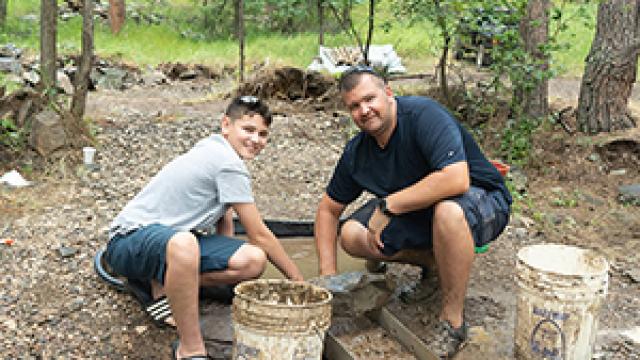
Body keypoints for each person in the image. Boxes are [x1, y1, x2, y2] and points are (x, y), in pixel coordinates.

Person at [314, 66, 511, 358]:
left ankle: (453, 321)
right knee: (352, 235)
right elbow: (327, 211)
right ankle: (433, 263)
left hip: (481, 199)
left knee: (447, 212)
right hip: (420, 208)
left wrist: (388, 205)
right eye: (354, 106)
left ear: (389, 93)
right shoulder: (358, 152)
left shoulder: (423, 116)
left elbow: (457, 178)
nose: (364, 110)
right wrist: (328, 279)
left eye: (370, 99)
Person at [105, 96, 304, 359]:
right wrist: (300, 283)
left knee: (253, 261)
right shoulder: (227, 163)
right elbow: (260, 235)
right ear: (226, 125)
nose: (256, 139)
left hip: (169, 242)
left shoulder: (216, 149)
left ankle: (165, 283)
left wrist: (228, 253)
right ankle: (190, 349)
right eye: (248, 130)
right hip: (128, 241)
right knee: (186, 243)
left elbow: (223, 213)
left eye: (263, 134)